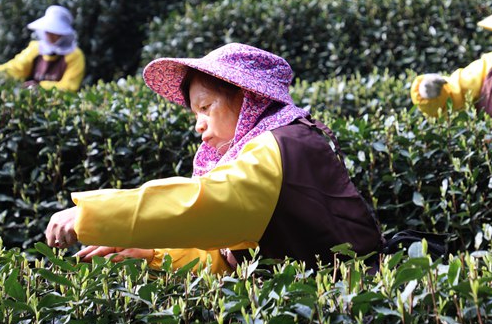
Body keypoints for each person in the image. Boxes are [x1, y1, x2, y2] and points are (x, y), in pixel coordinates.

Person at [45, 43, 383, 273]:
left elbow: (209, 203)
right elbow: (228, 256)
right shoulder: (278, 140)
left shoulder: (278, 145)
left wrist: (92, 214)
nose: (199, 125)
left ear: (248, 97)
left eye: (205, 107)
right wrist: (150, 255)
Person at [0, 5, 86, 91]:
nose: (50, 34)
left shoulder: (75, 55)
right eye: (48, 30)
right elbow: (17, 67)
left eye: (55, 31)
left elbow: (69, 87)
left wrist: (40, 87)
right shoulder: (36, 48)